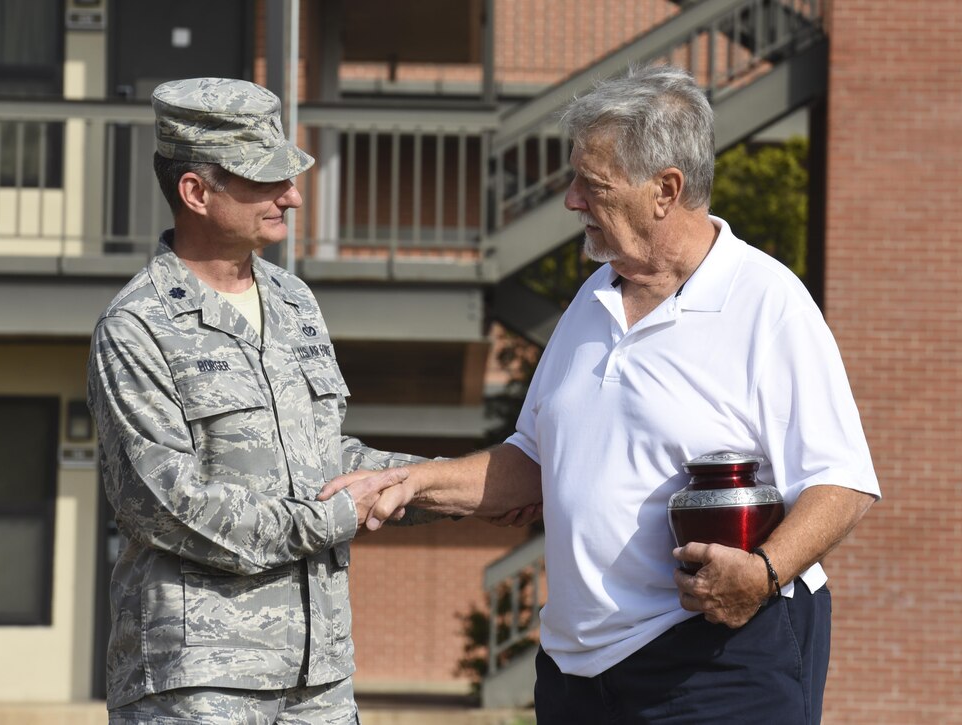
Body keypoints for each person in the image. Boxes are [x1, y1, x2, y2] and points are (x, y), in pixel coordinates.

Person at [322, 64, 881, 724]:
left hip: (718, 660)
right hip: (577, 675)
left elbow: (842, 484)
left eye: (593, 185)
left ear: (665, 190)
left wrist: (761, 572)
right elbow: (533, 460)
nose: (571, 201)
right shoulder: (593, 297)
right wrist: (416, 481)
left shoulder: (767, 302)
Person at [87, 77, 419, 724]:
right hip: (198, 680)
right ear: (196, 192)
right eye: (266, 181)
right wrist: (334, 520)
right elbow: (165, 506)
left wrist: (429, 483)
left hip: (318, 675)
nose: (292, 197)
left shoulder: (294, 302)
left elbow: (323, 454)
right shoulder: (138, 327)